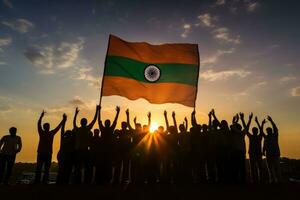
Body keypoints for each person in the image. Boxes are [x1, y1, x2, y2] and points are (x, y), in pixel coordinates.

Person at [35, 111, 66, 184]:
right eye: (47, 126)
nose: (47, 127)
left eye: (48, 126)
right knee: (42, 168)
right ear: (45, 127)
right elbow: (39, 124)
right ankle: (41, 181)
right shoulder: (45, 132)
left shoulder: (47, 133)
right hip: (44, 152)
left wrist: (63, 120)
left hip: (46, 152)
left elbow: (58, 127)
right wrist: (41, 117)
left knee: (44, 168)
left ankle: (41, 181)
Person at [73, 105, 99, 184]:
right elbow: (94, 120)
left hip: (82, 150)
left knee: (81, 167)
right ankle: (81, 181)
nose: (84, 122)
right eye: (84, 122)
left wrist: (76, 114)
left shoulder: (80, 129)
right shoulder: (81, 129)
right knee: (81, 167)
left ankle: (81, 181)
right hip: (81, 150)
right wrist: (97, 111)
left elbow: (94, 120)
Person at [98, 106, 120, 184]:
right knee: (107, 165)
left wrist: (99, 111)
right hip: (106, 150)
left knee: (107, 165)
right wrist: (117, 113)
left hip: (107, 150)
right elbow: (114, 121)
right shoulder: (108, 129)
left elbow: (99, 121)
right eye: (108, 123)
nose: (108, 124)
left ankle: (106, 179)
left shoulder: (104, 129)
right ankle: (106, 179)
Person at [56, 115, 76, 185]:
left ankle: (62, 182)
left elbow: (62, 130)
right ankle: (63, 182)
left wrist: (64, 121)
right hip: (64, 156)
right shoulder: (68, 139)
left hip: (65, 156)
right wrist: (64, 121)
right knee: (64, 170)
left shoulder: (66, 139)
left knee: (63, 170)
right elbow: (62, 130)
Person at [246, 117, 265, 183]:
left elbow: (246, 129)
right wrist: (259, 123)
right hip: (255, 153)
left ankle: (255, 180)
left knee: (255, 168)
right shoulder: (258, 137)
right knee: (257, 167)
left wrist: (259, 123)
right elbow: (261, 130)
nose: (255, 132)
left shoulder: (253, 137)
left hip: (255, 153)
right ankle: (257, 180)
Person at [263, 116, 281, 183]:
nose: (268, 131)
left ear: (271, 131)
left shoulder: (275, 135)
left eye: (269, 130)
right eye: (267, 131)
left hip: (275, 154)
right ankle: (272, 180)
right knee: (270, 169)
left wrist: (271, 121)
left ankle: (279, 180)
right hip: (269, 154)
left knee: (277, 168)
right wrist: (263, 151)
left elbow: (275, 128)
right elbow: (264, 145)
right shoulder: (266, 137)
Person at [164, 111, 179, 183]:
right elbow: (168, 126)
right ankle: (171, 178)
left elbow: (173, 125)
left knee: (172, 165)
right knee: (171, 165)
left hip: (172, 152)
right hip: (171, 152)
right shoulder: (172, 134)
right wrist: (168, 117)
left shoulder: (173, 134)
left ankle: (171, 178)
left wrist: (168, 117)